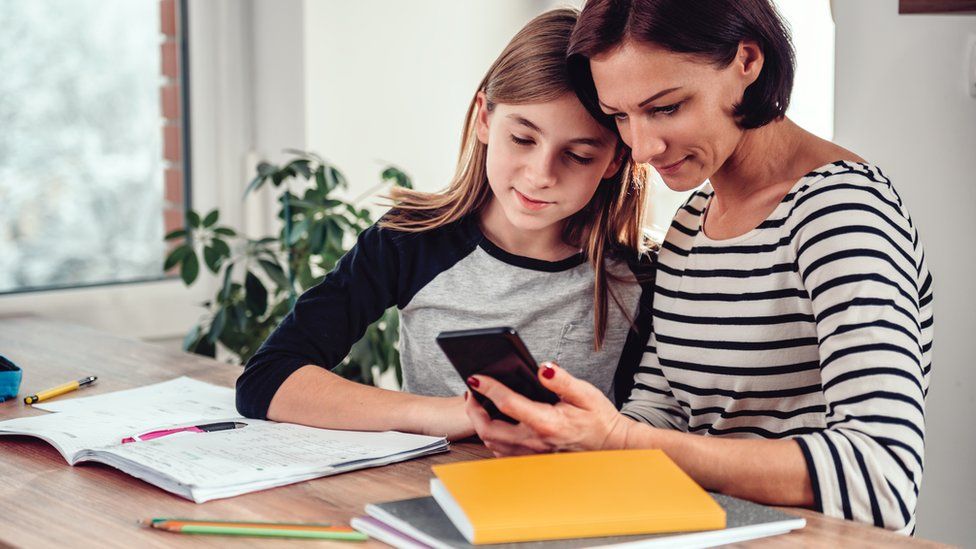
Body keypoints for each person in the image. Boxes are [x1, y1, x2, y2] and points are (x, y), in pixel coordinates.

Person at [465, 0, 933, 535]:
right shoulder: (692, 225)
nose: (641, 147)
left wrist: (618, 441)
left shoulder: (840, 213)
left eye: (665, 108)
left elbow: (883, 479)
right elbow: (659, 413)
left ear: (747, 61)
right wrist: (562, 438)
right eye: (620, 116)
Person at [236, 9, 655, 443]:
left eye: (579, 155)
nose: (541, 173)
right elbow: (267, 379)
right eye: (523, 138)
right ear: (486, 119)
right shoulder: (408, 243)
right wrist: (452, 414)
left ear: (616, 159)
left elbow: (652, 429)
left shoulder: (644, 274)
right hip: (435, 492)